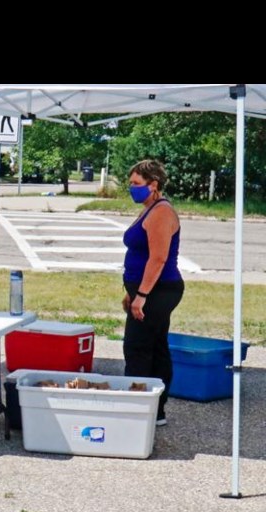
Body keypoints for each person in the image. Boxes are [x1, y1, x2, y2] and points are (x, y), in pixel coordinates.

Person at [122, 160, 183, 427]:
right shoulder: (149, 209)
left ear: (153, 184)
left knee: (138, 347)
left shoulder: (161, 212)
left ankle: (139, 409)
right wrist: (131, 292)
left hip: (158, 290)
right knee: (154, 346)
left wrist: (142, 294)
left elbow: (158, 259)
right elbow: (140, 254)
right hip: (146, 290)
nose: (131, 188)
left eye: (136, 184)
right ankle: (152, 410)